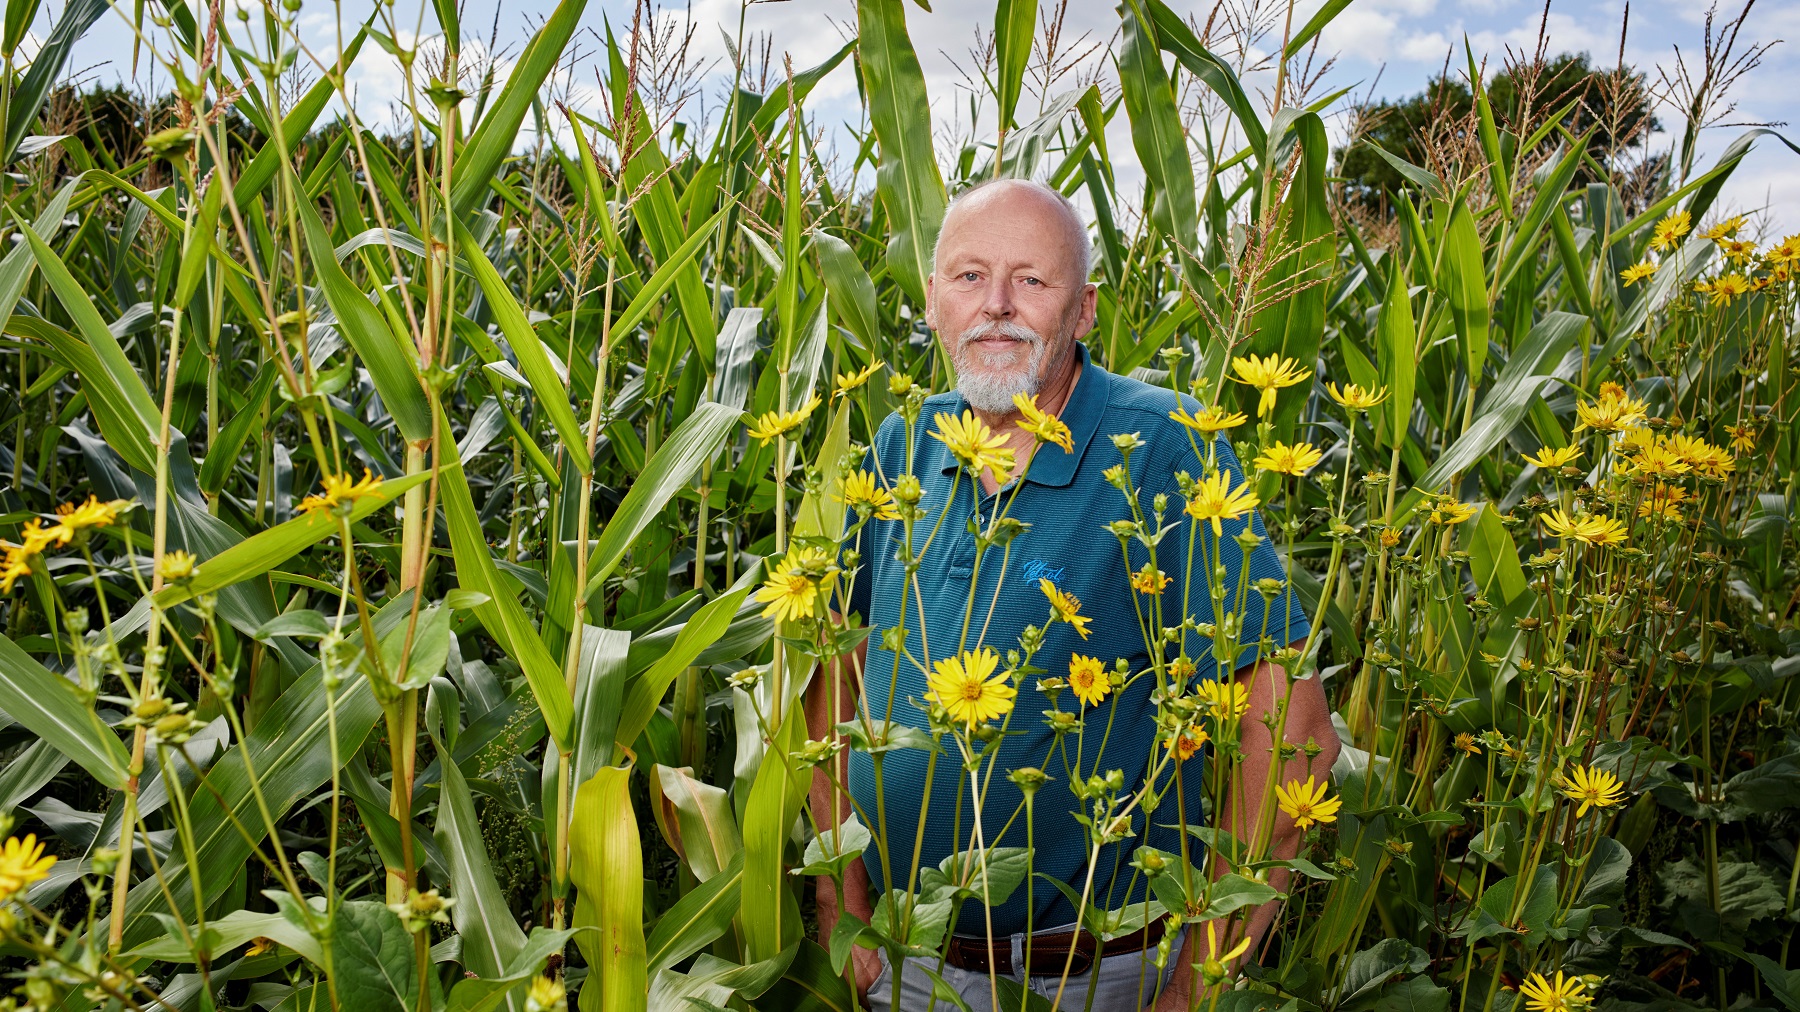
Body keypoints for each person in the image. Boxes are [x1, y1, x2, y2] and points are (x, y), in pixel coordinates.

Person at [805, 179, 1340, 1012]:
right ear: (932, 301)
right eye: (970, 277)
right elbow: (836, 670)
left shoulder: (1163, 448)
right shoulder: (902, 442)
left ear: (1084, 309)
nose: (997, 306)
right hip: (906, 960)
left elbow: (1292, 729)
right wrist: (842, 895)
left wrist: (1193, 986)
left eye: (1032, 281)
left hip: (1086, 981)